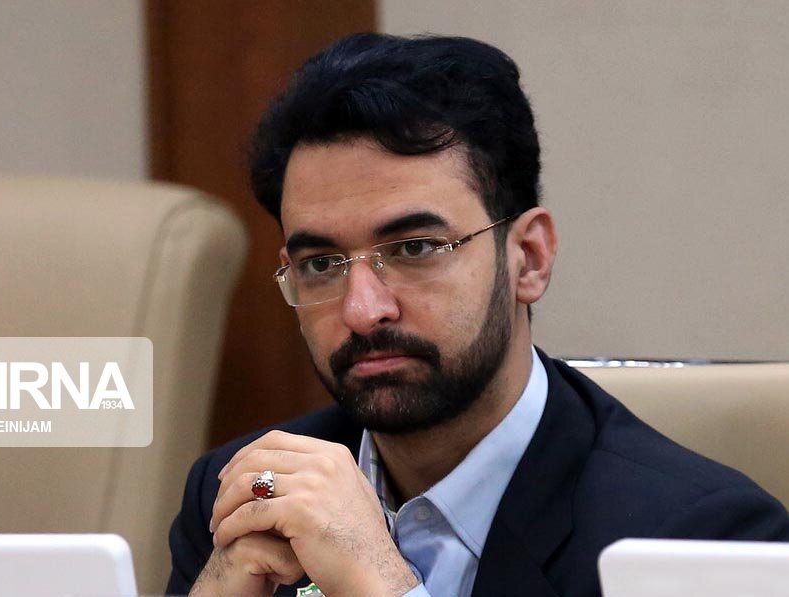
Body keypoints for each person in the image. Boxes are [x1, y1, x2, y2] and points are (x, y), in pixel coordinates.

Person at [166, 33, 789, 597]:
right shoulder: (243, 493)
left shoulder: (702, 539)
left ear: (529, 258)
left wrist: (377, 584)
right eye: (322, 264)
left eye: (414, 249)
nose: (363, 310)